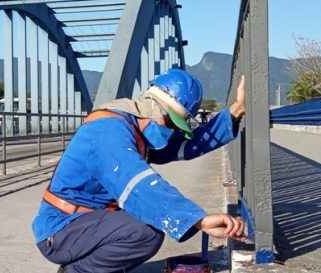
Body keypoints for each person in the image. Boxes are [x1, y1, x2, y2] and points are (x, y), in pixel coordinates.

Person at [32, 68, 249, 273]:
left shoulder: (136, 130)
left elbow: (185, 146)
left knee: (146, 223)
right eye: (170, 123)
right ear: (153, 104)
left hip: (85, 223)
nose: (172, 131)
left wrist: (235, 110)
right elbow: (138, 184)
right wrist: (198, 220)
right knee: (145, 232)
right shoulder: (108, 131)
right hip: (61, 229)